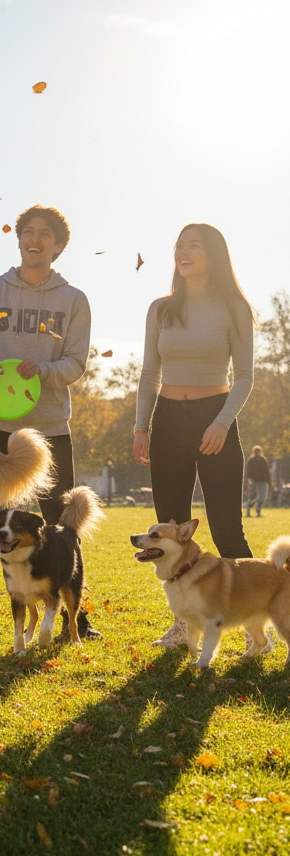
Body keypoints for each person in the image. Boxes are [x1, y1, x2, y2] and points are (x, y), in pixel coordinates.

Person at [0, 205, 98, 641]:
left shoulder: (73, 300)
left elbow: (76, 363)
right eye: (28, 232)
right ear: (18, 239)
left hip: (51, 429)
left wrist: (46, 371)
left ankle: (78, 616)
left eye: (45, 235)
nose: (35, 240)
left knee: (63, 524)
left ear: (58, 245)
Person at [133, 223, 255, 648]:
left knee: (226, 530)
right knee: (169, 533)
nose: (183, 252)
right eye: (178, 245)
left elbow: (244, 377)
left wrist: (221, 422)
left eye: (193, 245)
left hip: (215, 415)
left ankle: (254, 622)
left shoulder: (233, 307)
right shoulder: (160, 308)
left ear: (213, 255)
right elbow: (149, 374)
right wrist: (141, 426)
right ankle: (184, 624)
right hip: (167, 419)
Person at [245, 445, 270, 518]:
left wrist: (269, 481)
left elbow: (267, 471)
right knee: (252, 496)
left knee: (262, 497)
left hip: (263, 481)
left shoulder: (263, 460)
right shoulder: (251, 460)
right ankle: (249, 511)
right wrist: (249, 481)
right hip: (254, 481)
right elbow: (248, 472)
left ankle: (257, 509)